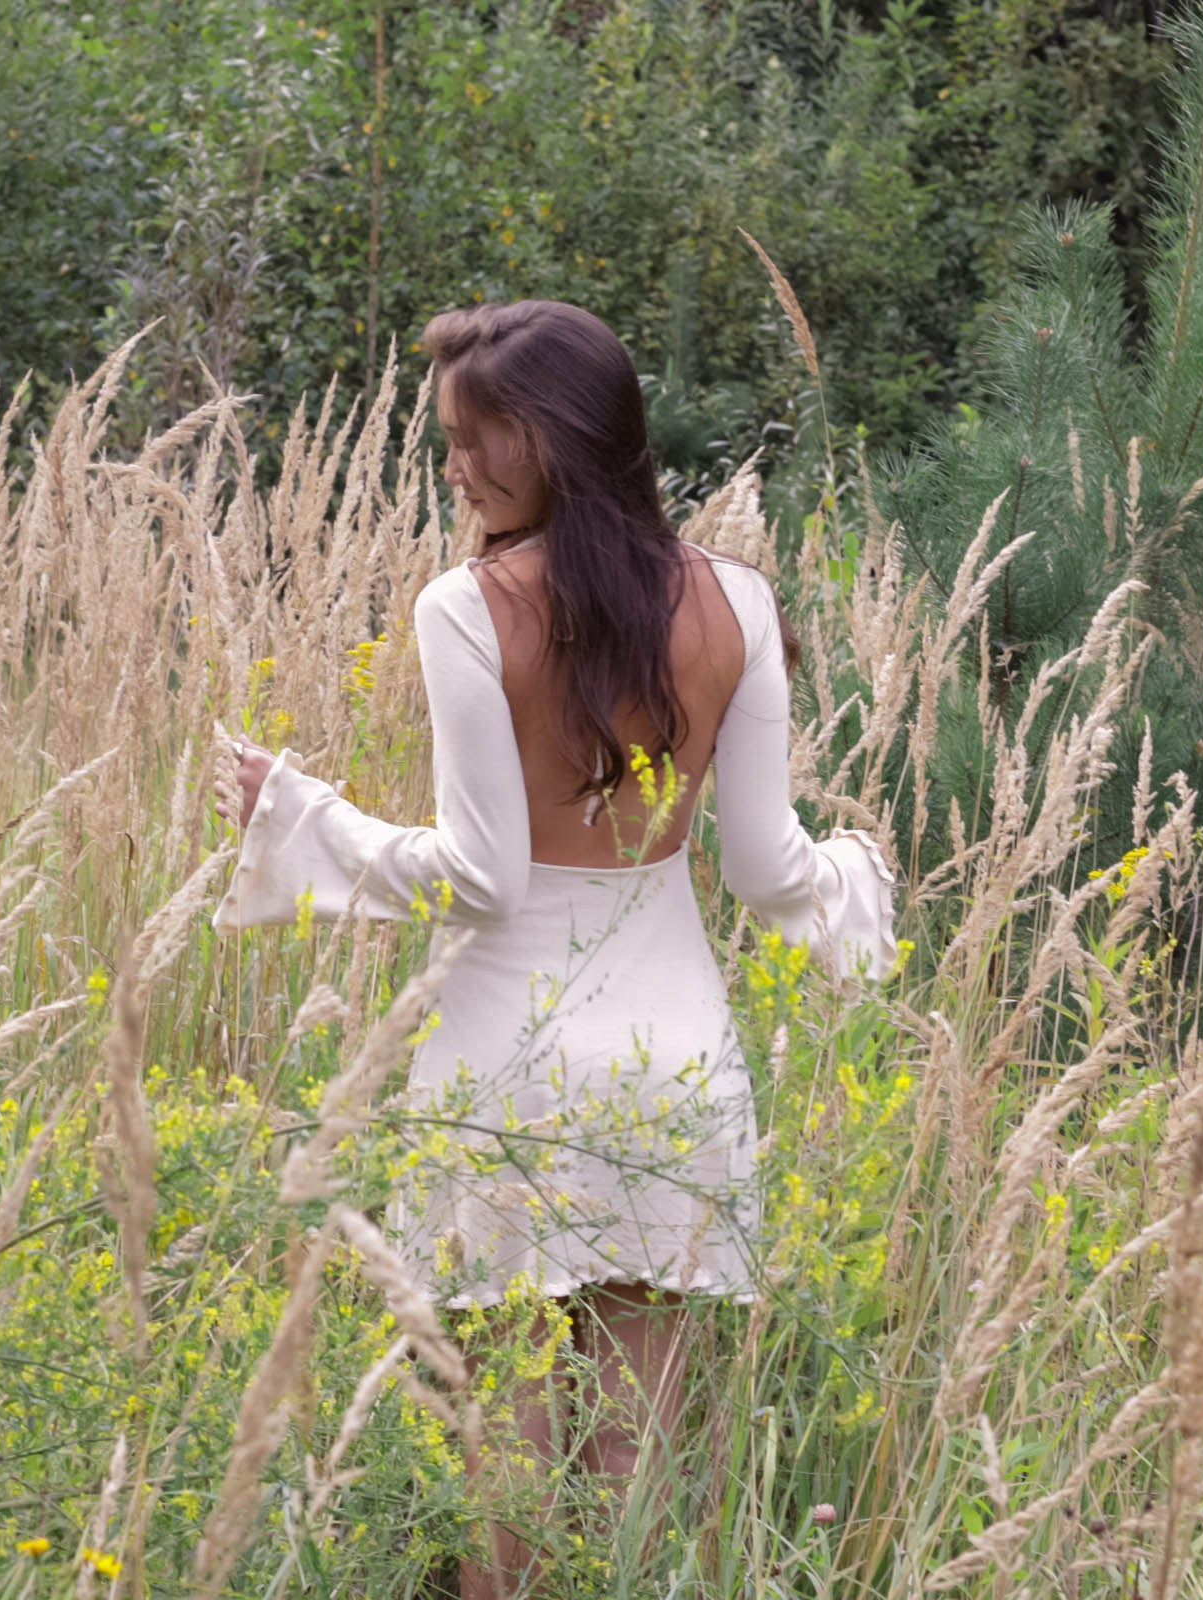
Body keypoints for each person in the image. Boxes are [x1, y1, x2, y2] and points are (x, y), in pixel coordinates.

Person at [207, 299, 895, 1597]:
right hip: (677, 1077)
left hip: (507, 1073)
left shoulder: (468, 609)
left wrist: (304, 820)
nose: (455, 468)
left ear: (556, 440)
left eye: (475, 442)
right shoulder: (736, 603)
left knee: (500, 1503)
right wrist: (859, 881)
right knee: (630, 1500)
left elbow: (482, 877)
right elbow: (763, 869)